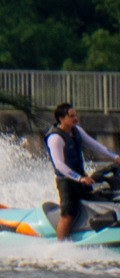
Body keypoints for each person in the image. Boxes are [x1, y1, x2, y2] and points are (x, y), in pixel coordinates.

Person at [47, 101, 117, 239]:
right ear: (61, 119)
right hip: (66, 182)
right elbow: (59, 165)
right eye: (71, 116)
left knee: (96, 201)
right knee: (68, 214)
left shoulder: (76, 130)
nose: (75, 118)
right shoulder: (55, 138)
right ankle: (60, 246)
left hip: (80, 178)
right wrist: (80, 178)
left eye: (76, 115)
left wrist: (115, 157)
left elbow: (95, 145)